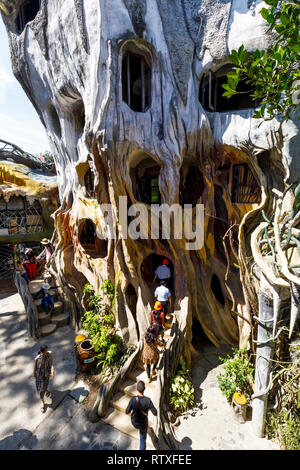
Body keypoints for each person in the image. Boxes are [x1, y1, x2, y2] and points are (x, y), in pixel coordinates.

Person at [125, 380, 157, 451]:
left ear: (136, 389)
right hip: (143, 424)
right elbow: (155, 413)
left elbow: (127, 412)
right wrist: (149, 408)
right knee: (143, 439)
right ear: (144, 389)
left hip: (135, 422)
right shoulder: (148, 401)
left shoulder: (133, 400)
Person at [33, 345, 54, 413]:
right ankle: (43, 403)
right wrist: (34, 373)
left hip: (46, 374)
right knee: (40, 392)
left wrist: (52, 371)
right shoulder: (37, 358)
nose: (47, 352)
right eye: (45, 351)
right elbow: (35, 368)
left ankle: (46, 391)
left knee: (46, 384)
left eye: (47, 350)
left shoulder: (49, 354)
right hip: (39, 377)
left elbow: (52, 363)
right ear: (42, 352)